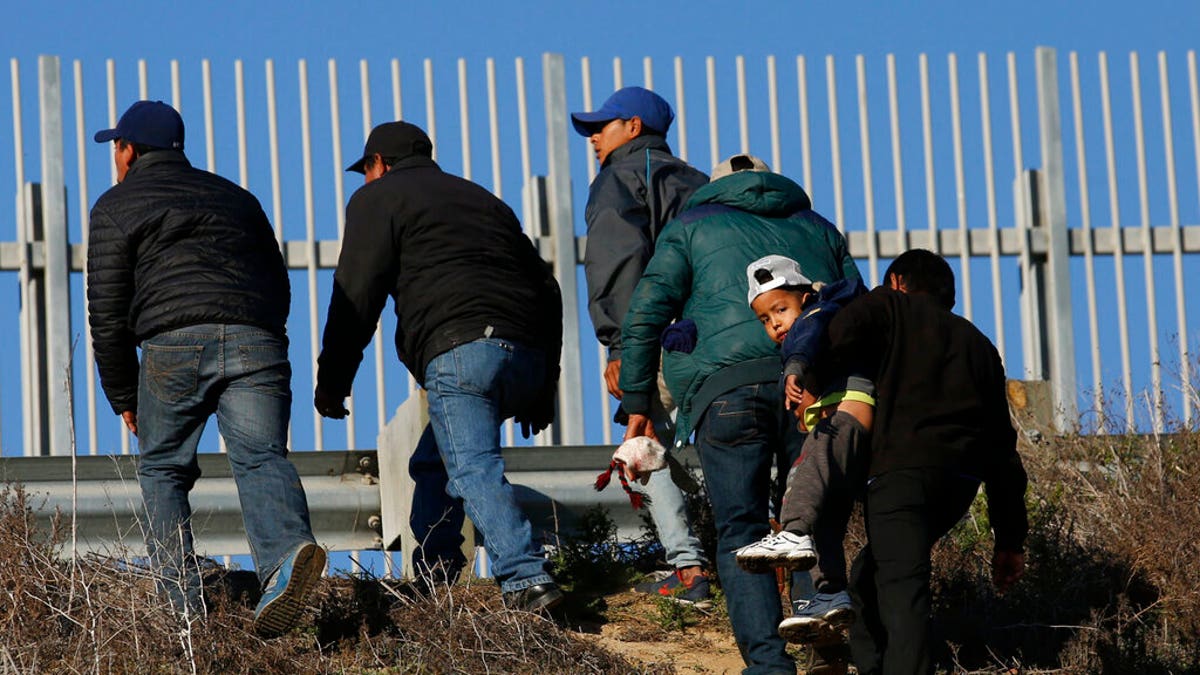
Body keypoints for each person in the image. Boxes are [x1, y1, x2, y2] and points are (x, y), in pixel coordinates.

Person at [87, 100, 323, 636]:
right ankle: (287, 559)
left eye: (116, 147)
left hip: (173, 345)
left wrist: (123, 393)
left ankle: (181, 610)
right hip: (255, 338)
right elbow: (278, 281)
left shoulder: (117, 205)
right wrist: (266, 338)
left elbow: (106, 311)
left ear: (128, 150)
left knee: (163, 468)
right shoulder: (238, 198)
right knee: (262, 456)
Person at [620, 154, 860, 673]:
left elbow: (645, 313)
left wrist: (638, 404)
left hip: (726, 393)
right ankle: (824, 643)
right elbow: (855, 309)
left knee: (741, 529)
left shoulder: (691, 227)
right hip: (812, 390)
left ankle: (768, 665)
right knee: (810, 513)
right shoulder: (819, 229)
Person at [314, 120, 564, 612]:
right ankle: (435, 581)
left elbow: (355, 296)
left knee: (471, 467)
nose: (365, 180)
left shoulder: (379, 197)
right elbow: (548, 286)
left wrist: (333, 381)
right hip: (525, 354)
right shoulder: (483, 200)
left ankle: (528, 577)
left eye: (365, 169)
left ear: (378, 164)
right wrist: (544, 384)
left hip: (461, 351)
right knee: (433, 462)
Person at [824, 249, 1028, 674]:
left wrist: (809, 379)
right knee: (869, 577)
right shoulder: (979, 345)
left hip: (900, 475)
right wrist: (1009, 539)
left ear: (897, 281)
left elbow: (840, 330)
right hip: (957, 484)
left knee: (901, 589)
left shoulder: (891, 307)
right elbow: (1002, 449)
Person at [571, 86, 712, 604]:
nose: (592, 140)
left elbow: (619, 263)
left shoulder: (618, 179)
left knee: (642, 437)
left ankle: (688, 566)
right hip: (714, 337)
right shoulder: (699, 182)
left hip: (656, 336)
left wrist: (618, 346)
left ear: (633, 126)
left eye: (600, 128)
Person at [736, 254, 873, 646]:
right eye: (764, 318)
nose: (775, 323)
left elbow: (806, 333)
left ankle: (793, 532)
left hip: (846, 418)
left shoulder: (818, 313)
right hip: (842, 431)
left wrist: (794, 366)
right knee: (826, 517)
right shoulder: (811, 325)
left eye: (780, 309)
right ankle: (829, 594)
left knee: (804, 480)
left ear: (804, 295)